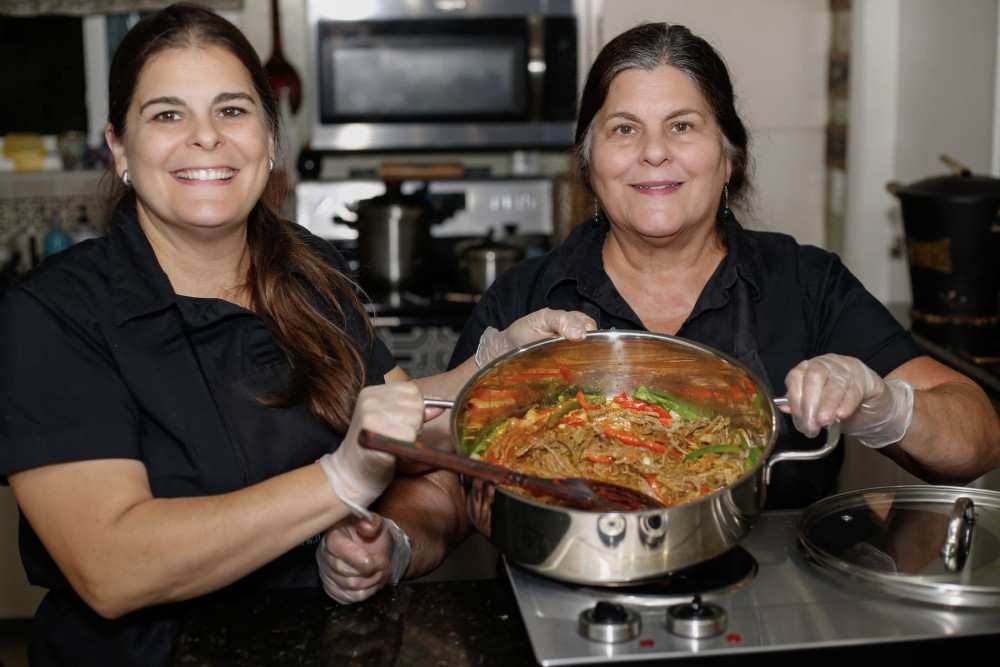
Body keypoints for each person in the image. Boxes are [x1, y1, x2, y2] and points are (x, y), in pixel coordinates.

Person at [0, 4, 594, 666]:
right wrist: (337, 479)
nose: (206, 138)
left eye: (232, 110)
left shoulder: (306, 266)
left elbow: (399, 416)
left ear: (270, 137)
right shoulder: (54, 313)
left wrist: (496, 368)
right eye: (168, 114)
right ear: (119, 147)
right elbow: (110, 567)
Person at [446, 22, 1000, 509]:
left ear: (730, 157)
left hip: (776, 608)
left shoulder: (807, 282)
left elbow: (977, 439)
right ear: (591, 167)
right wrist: (400, 543)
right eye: (624, 128)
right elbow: (441, 476)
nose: (654, 151)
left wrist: (885, 404)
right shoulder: (525, 295)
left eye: (683, 126)